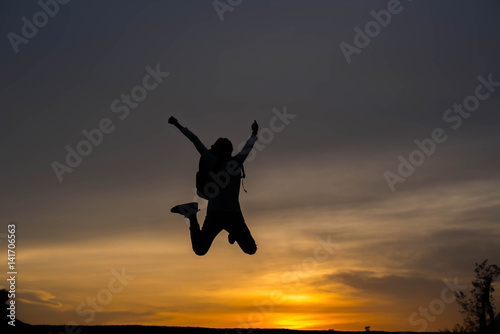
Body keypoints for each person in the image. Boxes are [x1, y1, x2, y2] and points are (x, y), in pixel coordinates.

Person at [168, 116, 259, 256]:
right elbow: (248, 146)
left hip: (228, 215)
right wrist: (254, 134)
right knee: (201, 249)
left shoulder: (217, 161)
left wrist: (178, 125)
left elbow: (195, 141)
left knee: (249, 249)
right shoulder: (233, 162)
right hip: (221, 215)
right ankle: (192, 215)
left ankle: (229, 231)